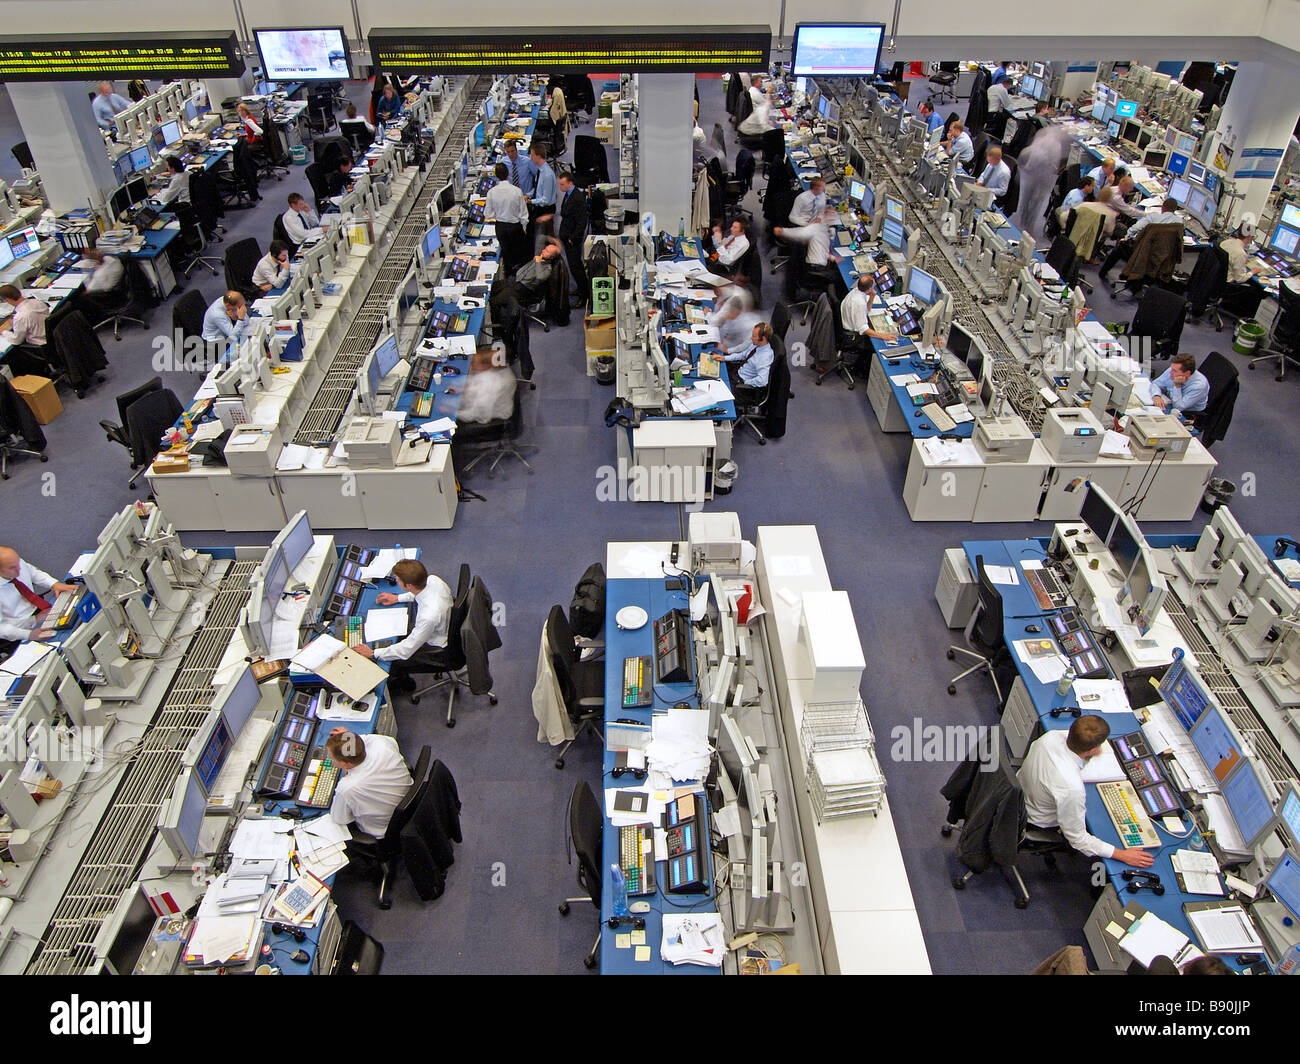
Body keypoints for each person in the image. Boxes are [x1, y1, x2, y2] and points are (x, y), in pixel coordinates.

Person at [1018, 715, 1156, 869]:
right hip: (1034, 821)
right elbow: (1078, 839)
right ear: (1092, 750)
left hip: (1017, 797)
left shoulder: (1049, 737)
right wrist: (1121, 854)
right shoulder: (1071, 788)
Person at [352, 559, 453, 694]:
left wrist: (373, 653)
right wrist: (397, 598)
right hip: (443, 625)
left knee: (391, 662)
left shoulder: (428, 616)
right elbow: (421, 593)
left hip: (437, 645)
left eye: (398, 579)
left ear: (408, 585)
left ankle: (403, 684)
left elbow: (406, 650)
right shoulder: (433, 580)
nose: (396, 581)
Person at [325, 728, 413, 839]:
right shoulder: (381, 744)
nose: (330, 759)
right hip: (409, 804)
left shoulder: (347, 787)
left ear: (345, 764)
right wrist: (348, 737)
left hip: (383, 832)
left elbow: (340, 819)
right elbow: (364, 740)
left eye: (331, 757)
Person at [0, 546, 76, 654]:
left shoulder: (15, 563)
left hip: (39, 611)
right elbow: (2, 629)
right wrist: (30, 632)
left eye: (18, 563)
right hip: (18, 631)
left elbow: (33, 573)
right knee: (58, 652)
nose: (19, 569)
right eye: (12, 567)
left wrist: (54, 584)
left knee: (73, 620)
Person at [1099, 198, 1182, 284]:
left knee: (1120, 248)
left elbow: (1135, 228)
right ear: (1175, 210)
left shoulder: (1152, 217)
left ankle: (1103, 273)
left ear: (1162, 208)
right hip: (1161, 257)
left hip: (1142, 253)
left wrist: (1126, 238)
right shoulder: (1179, 223)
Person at [484, 163, 531, 274]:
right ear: (508, 174)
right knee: (518, 255)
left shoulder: (491, 192)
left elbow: (488, 214)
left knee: (506, 254)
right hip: (515, 228)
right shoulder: (517, 191)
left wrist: (498, 213)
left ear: (496, 175)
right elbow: (524, 214)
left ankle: (508, 275)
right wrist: (524, 228)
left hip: (500, 228)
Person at [555, 172, 588, 302]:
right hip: (567, 236)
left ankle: (584, 295)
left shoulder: (578, 199)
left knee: (576, 267)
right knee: (573, 266)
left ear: (570, 183)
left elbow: (582, 222)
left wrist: (573, 238)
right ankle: (580, 289)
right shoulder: (569, 194)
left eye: (562, 184)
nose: (560, 187)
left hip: (573, 240)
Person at [840, 274, 900, 345]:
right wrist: (883, 336)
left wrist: (872, 297)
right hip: (853, 337)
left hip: (849, 324)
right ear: (869, 289)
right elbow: (863, 329)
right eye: (873, 285)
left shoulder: (857, 291)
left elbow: (866, 311)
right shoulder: (859, 303)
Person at [720, 321, 775, 392]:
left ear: (763, 339)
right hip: (737, 372)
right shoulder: (756, 344)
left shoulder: (765, 358)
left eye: (754, 336)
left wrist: (745, 383)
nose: (751, 338)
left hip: (741, 384)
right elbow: (743, 355)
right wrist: (724, 358)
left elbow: (762, 381)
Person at [73, 249, 125, 321]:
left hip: (110, 295)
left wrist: (86, 271)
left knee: (76, 299)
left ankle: (90, 321)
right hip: (113, 290)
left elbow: (105, 287)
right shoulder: (110, 260)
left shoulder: (108, 268)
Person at [0, 285, 49, 352]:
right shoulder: (37, 302)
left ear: (7, 299)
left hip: (40, 345)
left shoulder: (20, 317)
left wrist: (3, 332)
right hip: (50, 337)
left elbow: (16, 340)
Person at [1220, 214, 1264, 284]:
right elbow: (1240, 279)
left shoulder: (1225, 242)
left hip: (1218, 279)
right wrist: (1252, 272)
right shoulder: (1240, 253)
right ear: (1249, 236)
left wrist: (1241, 262)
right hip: (1228, 285)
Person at [527, 143, 557, 237]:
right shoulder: (540, 170)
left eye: (532, 155)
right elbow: (537, 189)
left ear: (538, 156)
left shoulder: (547, 175)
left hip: (546, 209)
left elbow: (546, 199)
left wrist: (531, 201)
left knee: (545, 236)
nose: (530, 157)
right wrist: (528, 195)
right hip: (539, 207)